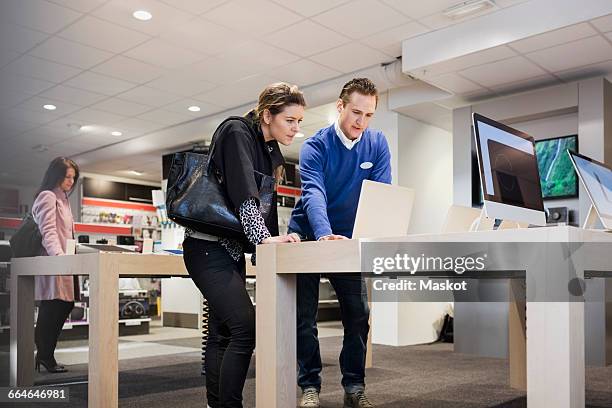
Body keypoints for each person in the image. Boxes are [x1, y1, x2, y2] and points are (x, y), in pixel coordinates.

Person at [182, 82, 306, 408]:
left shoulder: (267, 150)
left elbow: (266, 203)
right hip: (206, 248)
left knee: (223, 334)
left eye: (299, 122)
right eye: (290, 120)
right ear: (268, 114)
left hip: (229, 251)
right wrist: (263, 239)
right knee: (245, 329)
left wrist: (270, 246)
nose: (296, 128)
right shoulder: (237, 131)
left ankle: (216, 403)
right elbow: (244, 195)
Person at [288, 78, 392, 408]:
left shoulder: (376, 143)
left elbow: (381, 194)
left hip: (348, 240)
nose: (361, 121)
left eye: (369, 114)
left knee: (358, 314)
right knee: (304, 317)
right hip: (309, 236)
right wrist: (323, 234)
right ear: (340, 106)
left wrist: (372, 233)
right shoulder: (315, 146)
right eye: (356, 112)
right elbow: (313, 193)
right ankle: (309, 386)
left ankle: (354, 387)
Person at [32, 157, 80, 373]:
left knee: (63, 305)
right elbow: (48, 231)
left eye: (73, 177)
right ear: (56, 175)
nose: (70, 181)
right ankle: (45, 356)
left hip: (65, 261)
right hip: (55, 261)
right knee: (52, 306)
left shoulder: (64, 199)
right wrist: (59, 257)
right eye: (67, 176)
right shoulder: (47, 196)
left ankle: (45, 355)